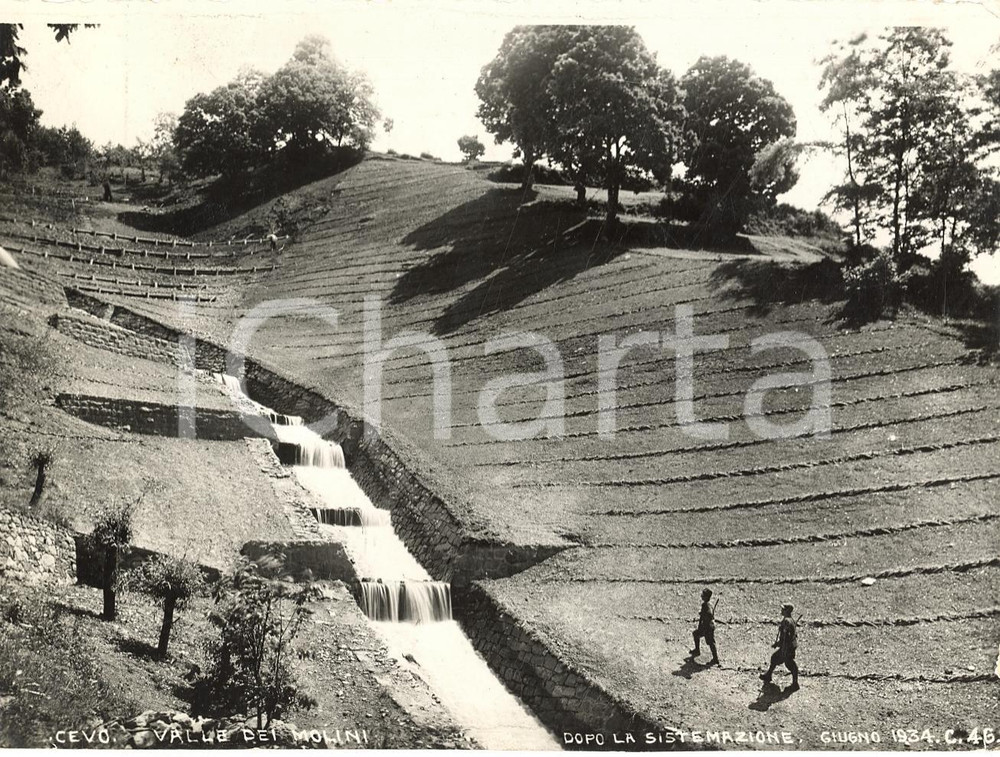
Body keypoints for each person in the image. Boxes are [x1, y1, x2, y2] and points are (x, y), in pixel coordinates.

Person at [761, 602, 799, 690]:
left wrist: (780, 645)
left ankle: (795, 684)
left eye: (783, 609)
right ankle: (769, 675)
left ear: (786, 611)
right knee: (775, 658)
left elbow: (786, 637)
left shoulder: (786, 621)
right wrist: (778, 644)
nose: (781, 610)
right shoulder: (790, 620)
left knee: (789, 664)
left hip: (787, 647)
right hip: (790, 645)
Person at [690, 588, 719, 665]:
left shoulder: (706, 605)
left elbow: (709, 614)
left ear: (706, 597)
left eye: (703, 595)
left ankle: (715, 659)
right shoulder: (709, 604)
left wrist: (704, 614)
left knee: (711, 642)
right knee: (696, 634)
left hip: (707, 627)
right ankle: (697, 650)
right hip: (708, 626)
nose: (701, 596)